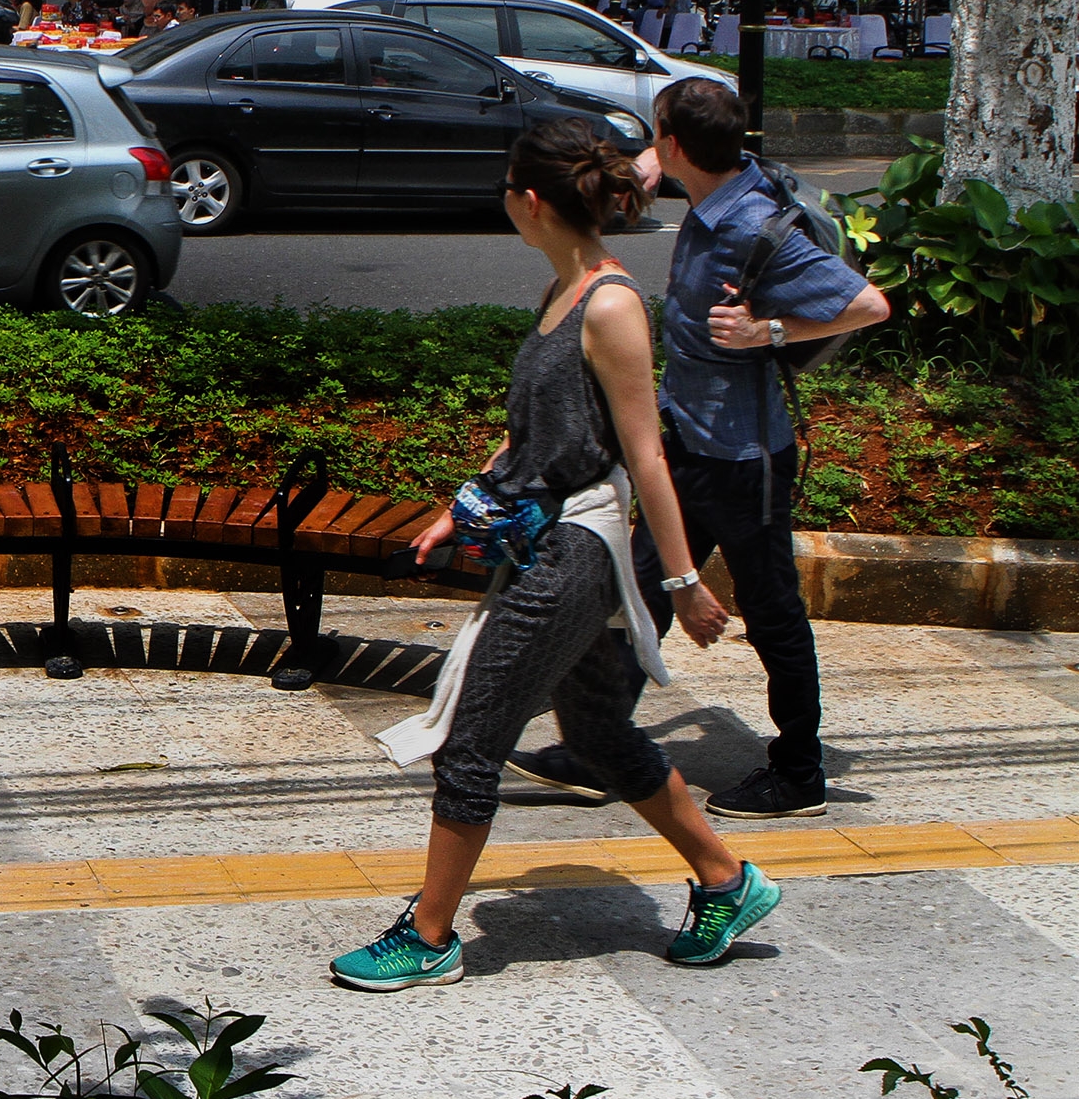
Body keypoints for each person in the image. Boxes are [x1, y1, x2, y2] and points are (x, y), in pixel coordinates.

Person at [331, 118, 777, 992]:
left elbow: (646, 453)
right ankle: (729, 879)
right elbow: (533, 434)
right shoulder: (562, 289)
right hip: (542, 528)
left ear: (529, 199)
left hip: (577, 549)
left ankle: (428, 936)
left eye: (507, 185)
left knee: (471, 736)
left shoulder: (610, 302)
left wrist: (683, 583)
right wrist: (461, 509)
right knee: (600, 731)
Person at [511, 80, 890, 821]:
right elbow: (660, 160)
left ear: (681, 144)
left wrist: (767, 333)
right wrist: (647, 165)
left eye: (659, 136)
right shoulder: (715, 185)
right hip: (686, 439)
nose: (652, 148)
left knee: (772, 610)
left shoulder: (751, 221)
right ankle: (599, 748)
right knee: (636, 587)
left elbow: (868, 302)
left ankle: (800, 772)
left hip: (745, 459)